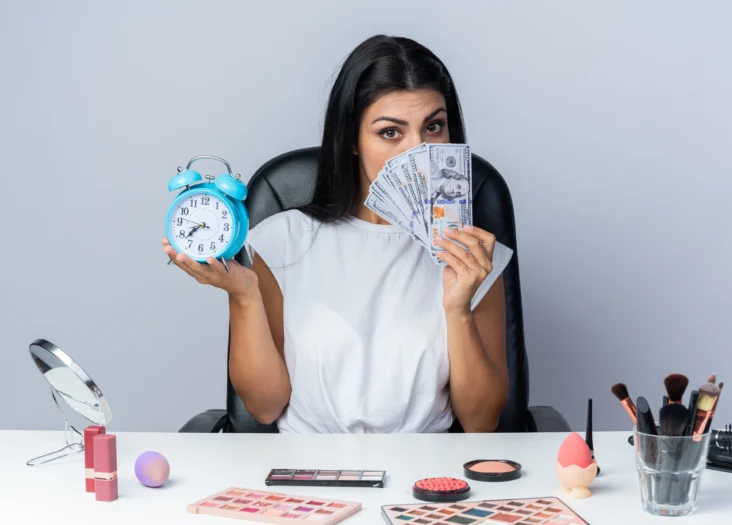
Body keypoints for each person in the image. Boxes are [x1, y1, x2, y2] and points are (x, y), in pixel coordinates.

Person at [161, 34, 514, 434]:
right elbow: (264, 407)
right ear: (351, 140)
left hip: (424, 476)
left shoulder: (473, 253)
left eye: (433, 127)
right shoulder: (284, 241)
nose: (419, 154)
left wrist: (458, 308)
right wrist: (243, 295)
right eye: (391, 132)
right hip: (308, 473)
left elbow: (482, 421)